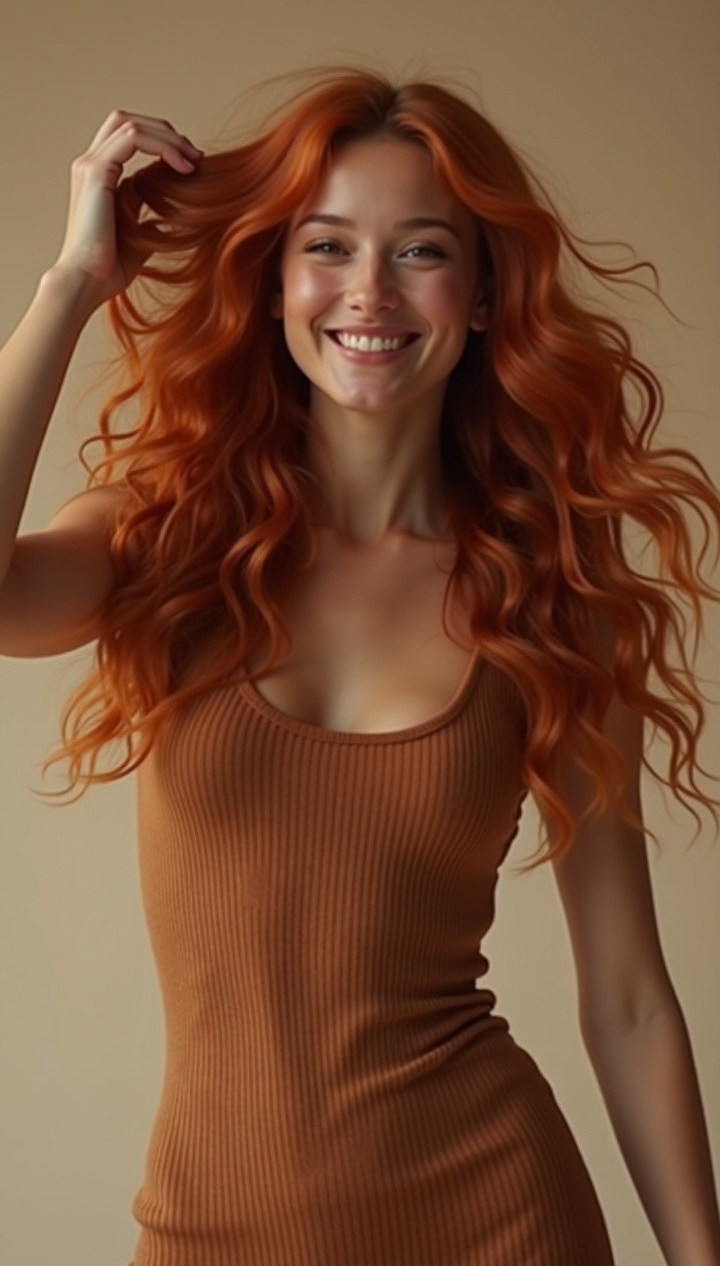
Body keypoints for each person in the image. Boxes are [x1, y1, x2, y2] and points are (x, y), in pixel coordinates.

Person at [1, 63, 719, 1266]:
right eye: (326, 245)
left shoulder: (551, 595)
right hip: (207, 1231)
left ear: (484, 293)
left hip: (501, 1222)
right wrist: (71, 285)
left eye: (423, 250)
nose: (369, 291)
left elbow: (630, 998)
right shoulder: (167, 535)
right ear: (275, 280)